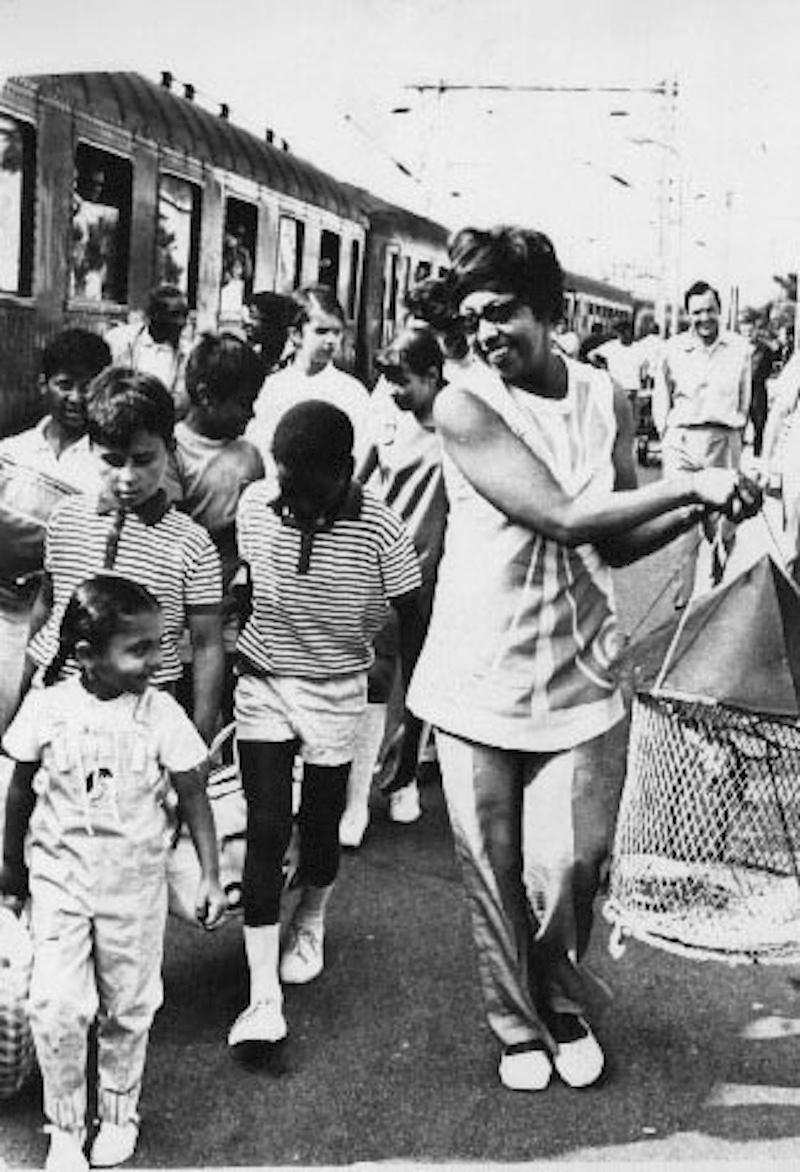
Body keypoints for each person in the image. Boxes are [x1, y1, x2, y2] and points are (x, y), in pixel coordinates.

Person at [406, 225, 754, 1094]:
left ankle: (561, 998)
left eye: (505, 313)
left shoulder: (608, 400)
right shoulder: (463, 403)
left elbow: (616, 539)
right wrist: (692, 483)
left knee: (569, 860)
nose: (487, 333)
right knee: (490, 864)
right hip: (478, 666)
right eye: (474, 317)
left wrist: (701, 512)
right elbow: (562, 515)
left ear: (551, 311)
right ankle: (518, 1025)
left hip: (581, 665)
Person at [0, 574, 226, 1172]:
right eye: (139, 649)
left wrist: (207, 875)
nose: (157, 659)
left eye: (159, 643)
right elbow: (20, 792)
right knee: (56, 1005)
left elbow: (194, 796)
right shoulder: (47, 709)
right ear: (85, 656)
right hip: (60, 884)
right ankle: (66, 1127)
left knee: (128, 1005)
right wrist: (10, 871)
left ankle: (120, 1113)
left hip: (134, 888)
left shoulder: (161, 715)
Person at [228, 400, 422, 1048]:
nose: (295, 504)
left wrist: (410, 710)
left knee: (321, 828)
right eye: (287, 484)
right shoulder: (258, 503)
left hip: (338, 689)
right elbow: (247, 581)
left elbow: (411, 613)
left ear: (345, 472)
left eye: (311, 491)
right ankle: (261, 996)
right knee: (265, 826)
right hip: (264, 681)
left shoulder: (382, 530)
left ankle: (309, 917)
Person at [23, 368, 224, 745]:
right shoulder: (66, 518)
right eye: (113, 461)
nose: (128, 477)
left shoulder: (192, 545)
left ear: (170, 449)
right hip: (58, 702)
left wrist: (198, 736)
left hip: (143, 714)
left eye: (143, 459)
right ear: (90, 449)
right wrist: (21, 702)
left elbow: (207, 645)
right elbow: (45, 610)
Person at [339, 324, 448, 846]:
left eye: (403, 380)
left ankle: (404, 780)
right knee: (376, 679)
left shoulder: (458, 428)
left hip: (438, 575)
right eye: (386, 380)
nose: (394, 391)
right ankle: (357, 799)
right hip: (382, 568)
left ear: (432, 376)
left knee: (423, 680)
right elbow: (356, 486)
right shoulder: (387, 422)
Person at [0, 329, 111, 734]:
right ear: (43, 384)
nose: (78, 398)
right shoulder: (11, 454)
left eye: (90, 386)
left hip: (59, 624)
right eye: (66, 384)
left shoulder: (106, 467)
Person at [163, 331, 265, 721]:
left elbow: (258, 536)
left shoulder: (250, 456)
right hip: (182, 620)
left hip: (232, 618)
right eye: (243, 403)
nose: (251, 414)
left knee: (230, 715)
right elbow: (171, 534)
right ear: (205, 395)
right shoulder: (171, 450)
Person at [653, 280, 752, 607]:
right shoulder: (672, 349)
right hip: (682, 443)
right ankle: (682, 605)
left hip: (723, 443)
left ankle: (717, 596)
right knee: (683, 527)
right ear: (687, 314)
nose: (704, 318)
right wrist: (668, 438)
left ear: (719, 311)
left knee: (724, 526)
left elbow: (745, 401)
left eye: (710, 310)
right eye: (697, 312)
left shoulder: (740, 349)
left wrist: (735, 436)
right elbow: (661, 400)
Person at [245, 284, 372, 483]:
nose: (331, 341)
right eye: (321, 331)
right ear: (296, 334)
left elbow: (363, 451)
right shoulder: (273, 387)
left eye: (337, 332)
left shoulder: (351, 392)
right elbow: (257, 445)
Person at [105, 285, 192, 418]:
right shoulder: (120, 340)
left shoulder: (187, 353)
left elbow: (183, 400)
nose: (182, 322)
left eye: (184, 315)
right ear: (154, 315)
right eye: (174, 315)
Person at [243, 291, 296, 374]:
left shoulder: (293, 361)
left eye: (253, 317)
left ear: (272, 321)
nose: (246, 324)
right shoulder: (253, 353)